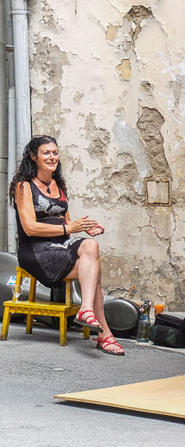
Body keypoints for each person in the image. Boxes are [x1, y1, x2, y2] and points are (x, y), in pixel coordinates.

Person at [9, 136, 121, 354]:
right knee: (93, 272)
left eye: (55, 152)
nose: (52, 157)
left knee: (91, 245)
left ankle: (86, 310)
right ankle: (104, 335)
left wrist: (85, 227)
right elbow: (30, 227)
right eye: (46, 153)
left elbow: (67, 222)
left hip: (61, 243)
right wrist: (70, 229)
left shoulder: (58, 184)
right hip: (36, 250)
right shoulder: (24, 186)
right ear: (34, 157)